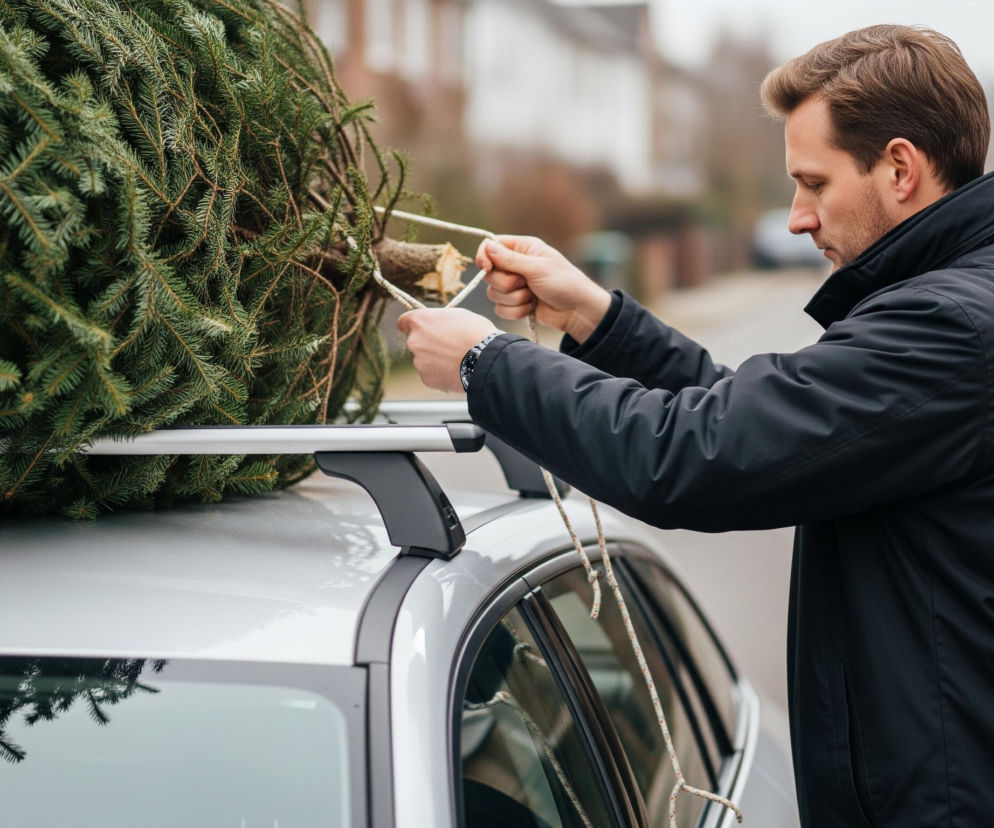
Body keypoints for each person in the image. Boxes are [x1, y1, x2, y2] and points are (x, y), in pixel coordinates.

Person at [398, 25, 994, 827]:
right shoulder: (948, 307)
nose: (795, 218)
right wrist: (597, 316)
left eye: (813, 183)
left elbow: (698, 456)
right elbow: (751, 422)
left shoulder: (950, 328)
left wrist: (487, 365)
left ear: (898, 167)